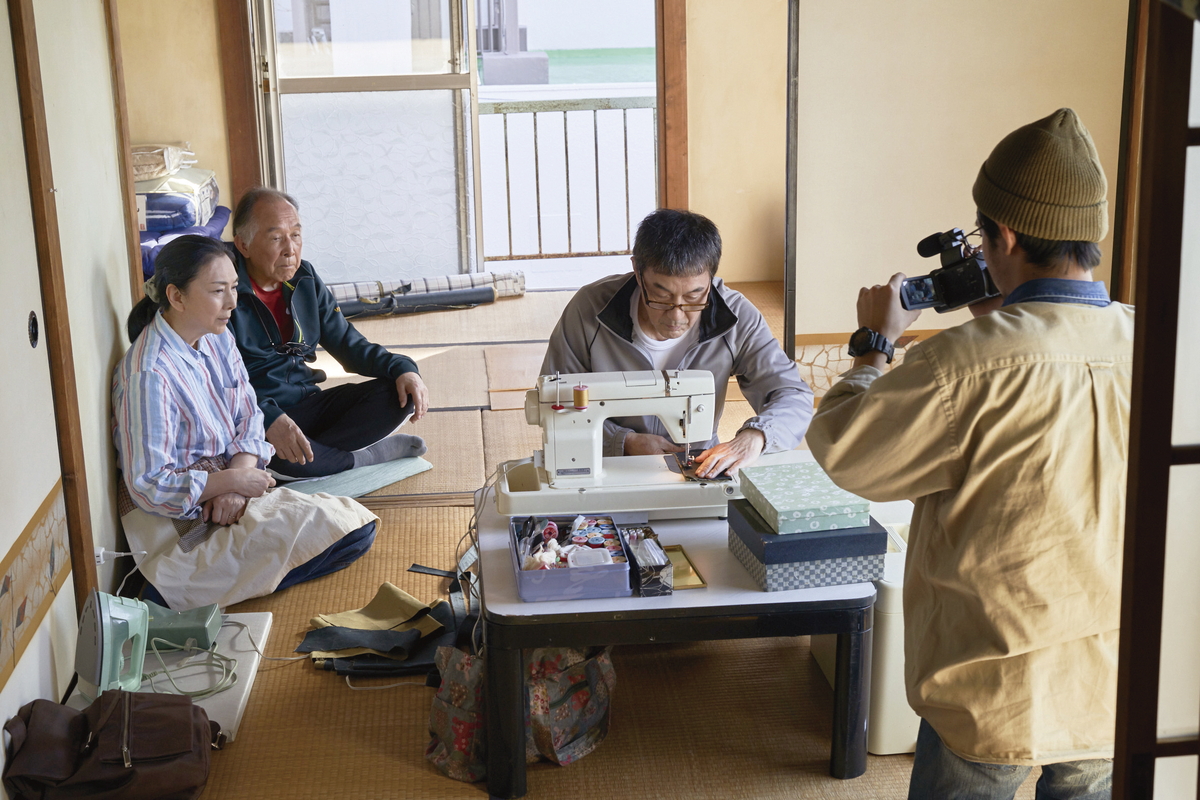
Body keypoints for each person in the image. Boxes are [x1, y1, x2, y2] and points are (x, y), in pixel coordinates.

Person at [807, 109, 1131, 799]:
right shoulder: (1160, 341)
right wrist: (1006, 317)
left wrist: (873, 344)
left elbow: (847, 452)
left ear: (1002, 236)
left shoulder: (963, 364)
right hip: (1117, 674)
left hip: (991, 683)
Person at [114, 235, 379, 610]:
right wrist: (230, 482)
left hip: (229, 491)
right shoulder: (149, 374)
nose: (233, 303)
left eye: (235, 288)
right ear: (176, 297)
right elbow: (147, 486)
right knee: (343, 533)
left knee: (355, 526)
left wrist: (236, 485)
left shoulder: (215, 336)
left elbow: (249, 412)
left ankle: (221, 586)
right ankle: (173, 593)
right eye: (218, 290)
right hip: (185, 520)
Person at [541, 209, 813, 478]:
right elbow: (554, 401)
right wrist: (623, 442)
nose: (677, 316)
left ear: (711, 277)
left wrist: (756, 436)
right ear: (637, 270)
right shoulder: (589, 310)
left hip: (699, 462)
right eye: (662, 296)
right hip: (608, 463)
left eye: (695, 296)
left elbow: (792, 394)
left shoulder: (735, 317)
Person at [226, 187, 429, 479]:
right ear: (243, 245)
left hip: (309, 403)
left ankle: (311, 460)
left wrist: (403, 368)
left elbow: (348, 343)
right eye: (275, 237)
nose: (290, 249)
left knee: (398, 394)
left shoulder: (304, 278)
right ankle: (359, 458)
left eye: (295, 235)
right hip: (256, 416)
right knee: (270, 453)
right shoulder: (224, 291)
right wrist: (268, 418)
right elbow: (221, 384)